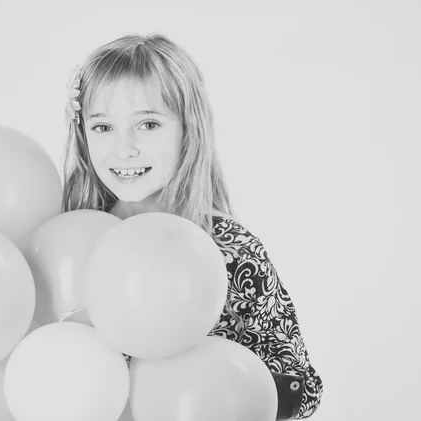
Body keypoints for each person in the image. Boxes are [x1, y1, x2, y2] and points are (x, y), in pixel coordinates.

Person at [61, 33, 323, 420]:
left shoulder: (230, 251)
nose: (124, 148)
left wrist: (224, 390)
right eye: (102, 127)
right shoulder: (67, 244)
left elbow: (302, 386)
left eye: (148, 124)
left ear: (189, 129)